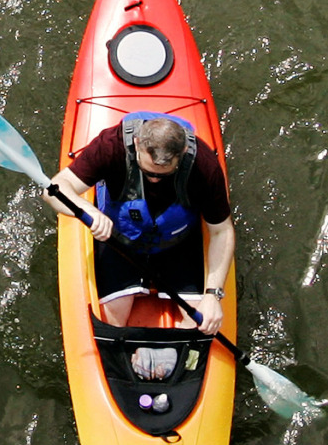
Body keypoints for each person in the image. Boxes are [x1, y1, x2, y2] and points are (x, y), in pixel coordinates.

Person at [45, 113, 235, 335]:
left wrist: (213, 295)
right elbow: (54, 189)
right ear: (136, 143)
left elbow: (221, 231)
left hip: (177, 243)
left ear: (183, 152)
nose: (154, 179)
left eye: (163, 174)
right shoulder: (110, 146)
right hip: (119, 238)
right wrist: (89, 211)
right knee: (109, 324)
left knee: (201, 325)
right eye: (148, 172)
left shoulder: (205, 166)